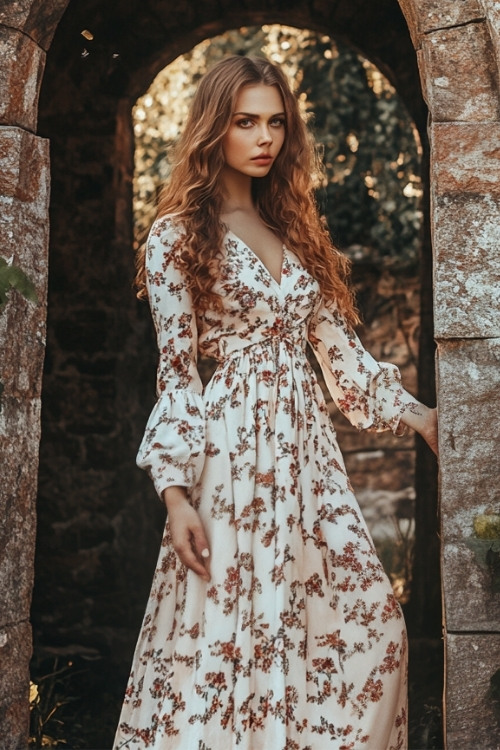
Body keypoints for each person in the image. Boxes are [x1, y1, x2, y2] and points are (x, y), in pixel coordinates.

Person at [113, 55, 438, 750]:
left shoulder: (293, 233)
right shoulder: (175, 236)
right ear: (214, 129)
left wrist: (423, 419)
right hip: (229, 459)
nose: (265, 138)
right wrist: (174, 496)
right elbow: (178, 375)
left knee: (374, 622)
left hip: (307, 461)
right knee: (231, 639)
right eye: (245, 122)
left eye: (276, 124)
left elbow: (339, 355)